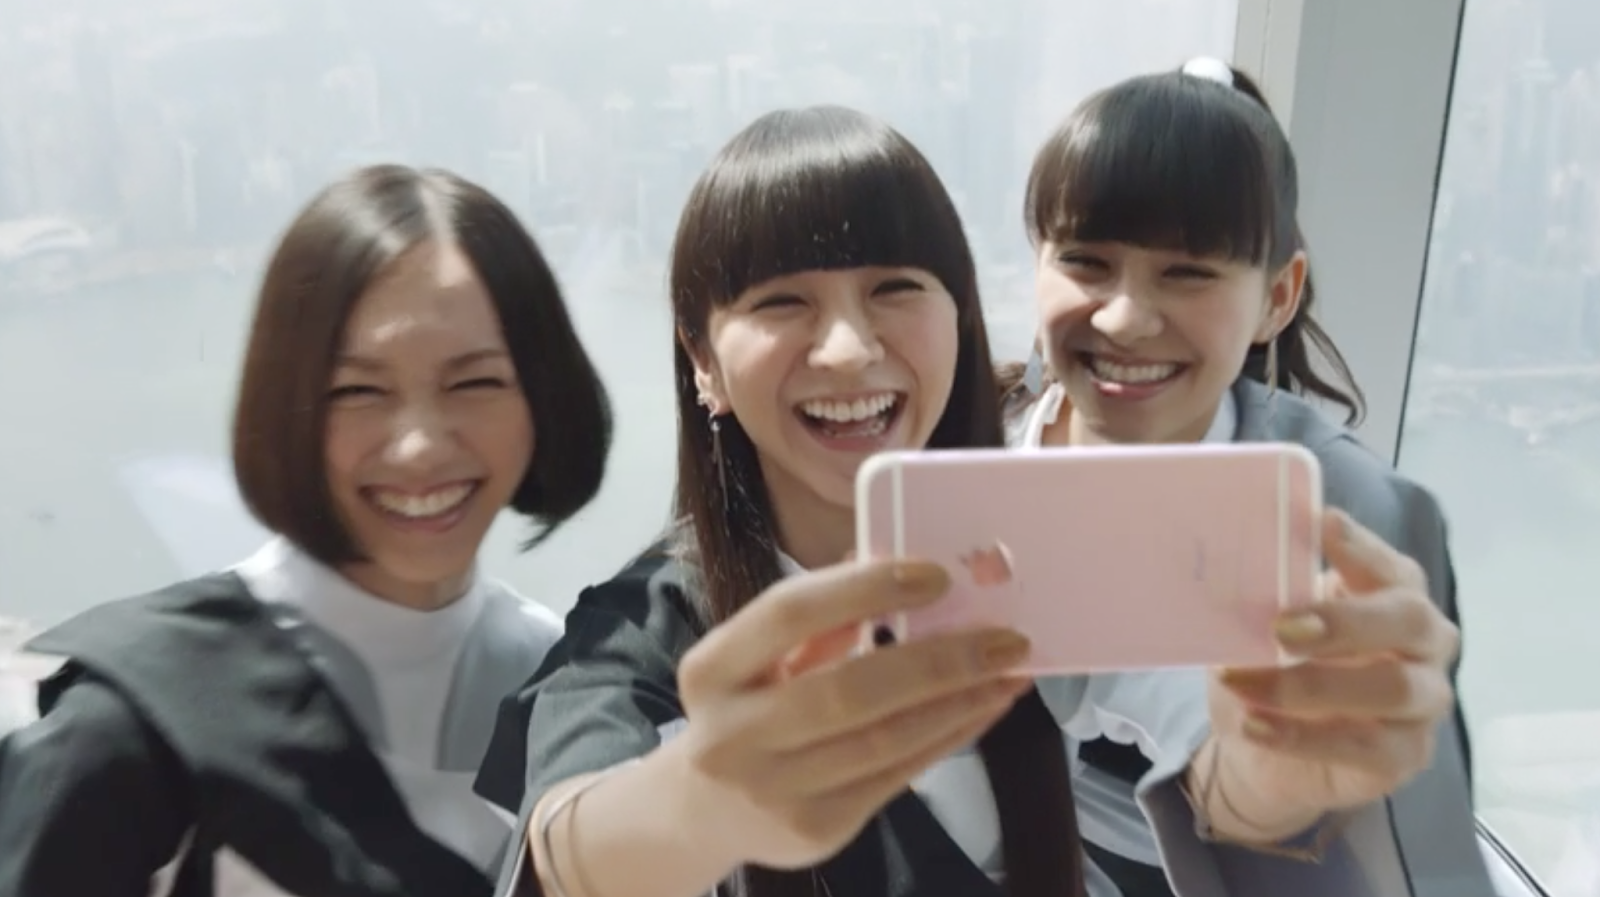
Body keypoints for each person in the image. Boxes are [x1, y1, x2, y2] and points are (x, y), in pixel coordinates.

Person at [474, 105, 1469, 897]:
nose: (848, 349)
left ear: (960, 318)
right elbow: (571, 842)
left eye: (895, 288)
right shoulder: (645, 628)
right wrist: (699, 802)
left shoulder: (1044, 545)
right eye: (782, 303)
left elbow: (1203, 752)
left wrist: (1280, 778)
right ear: (703, 361)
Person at [0, 164, 614, 897]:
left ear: (543, 397)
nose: (420, 446)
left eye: (475, 381)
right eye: (357, 390)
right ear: (284, 405)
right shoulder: (133, 732)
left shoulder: (573, 691)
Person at [999, 59, 1493, 896]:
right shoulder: (972, 438)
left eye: (1187, 272)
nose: (1125, 317)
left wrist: (1278, 781)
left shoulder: (1354, 519)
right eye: (1085, 262)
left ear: (1277, 297)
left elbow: (1424, 852)